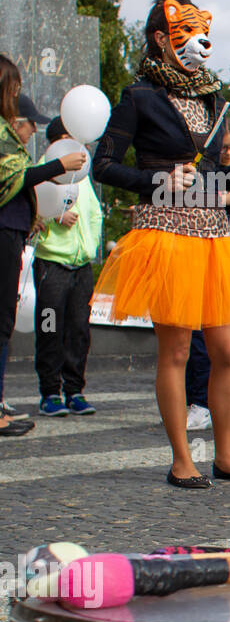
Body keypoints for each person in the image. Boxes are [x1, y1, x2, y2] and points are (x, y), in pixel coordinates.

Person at [92, 0, 230, 485]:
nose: (198, 42)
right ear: (162, 39)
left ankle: (226, 454)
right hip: (166, 231)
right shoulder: (139, 96)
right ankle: (181, 458)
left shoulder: (214, 95)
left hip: (212, 232)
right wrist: (159, 179)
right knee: (175, 352)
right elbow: (104, 165)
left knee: (227, 352)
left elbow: (210, 164)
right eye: (186, 32)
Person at [1, 65, 81, 436]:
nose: (32, 129)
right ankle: (41, 394)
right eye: (28, 122)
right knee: (32, 325)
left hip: (66, 259)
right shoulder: (8, 142)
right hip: (44, 260)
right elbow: (14, 179)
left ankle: (68, 391)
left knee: (73, 329)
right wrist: (55, 169)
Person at [33, 117, 103, 418]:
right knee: (50, 327)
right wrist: (54, 215)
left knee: (79, 330)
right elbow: (31, 206)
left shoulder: (82, 170)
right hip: (53, 264)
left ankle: (74, 390)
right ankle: (50, 392)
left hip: (81, 265)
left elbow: (91, 212)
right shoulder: (44, 168)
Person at [188, 116, 230, 430]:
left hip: (228, 254)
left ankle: (213, 400)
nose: (228, 153)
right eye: (224, 148)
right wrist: (226, 198)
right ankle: (198, 400)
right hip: (198, 252)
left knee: (225, 338)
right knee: (198, 333)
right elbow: (186, 197)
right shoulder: (200, 168)